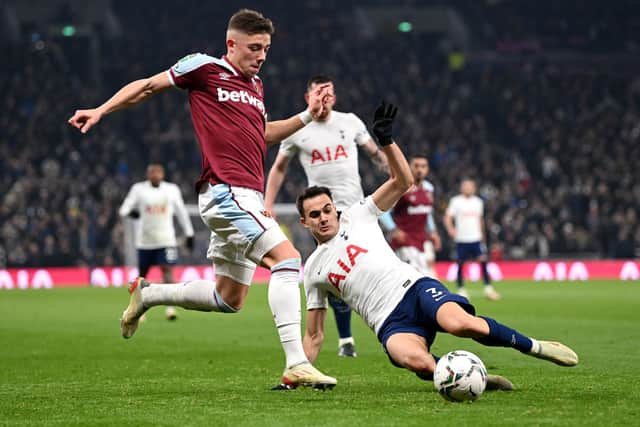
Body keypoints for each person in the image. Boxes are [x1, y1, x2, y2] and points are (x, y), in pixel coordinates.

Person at [68, 9, 336, 389]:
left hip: (246, 196)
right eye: (254, 48)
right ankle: (296, 362)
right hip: (227, 191)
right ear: (232, 44)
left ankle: (150, 293)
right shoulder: (204, 67)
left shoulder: (256, 88)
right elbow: (147, 86)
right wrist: (101, 110)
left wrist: (308, 116)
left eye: (267, 49)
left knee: (229, 298)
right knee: (289, 261)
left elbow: (261, 134)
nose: (261, 56)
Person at [298, 102, 579, 389]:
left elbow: (402, 181)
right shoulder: (313, 270)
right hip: (388, 323)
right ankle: (465, 375)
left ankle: (535, 346)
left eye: (326, 209)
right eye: (314, 214)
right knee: (414, 360)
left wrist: (387, 141)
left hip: (414, 289)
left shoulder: (358, 214)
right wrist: (298, 373)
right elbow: (314, 335)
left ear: (334, 209)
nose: (323, 217)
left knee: (462, 325)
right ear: (304, 222)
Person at [264, 75, 388, 358]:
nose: (326, 96)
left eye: (330, 91)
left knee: (369, 269)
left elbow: (373, 153)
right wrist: (268, 202)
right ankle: (345, 339)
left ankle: (375, 328)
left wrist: (393, 170)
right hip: (322, 215)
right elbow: (279, 167)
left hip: (356, 211)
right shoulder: (298, 130)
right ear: (307, 96)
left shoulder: (350, 122)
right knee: (333, 275)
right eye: (320, 91)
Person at [119, 164, 195, 321]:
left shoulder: (172, 189)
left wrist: (189, 233)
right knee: (142, 275)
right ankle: (139, 309)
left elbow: (181, 211)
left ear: (163, 174)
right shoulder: (138, 189)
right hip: (145, 241)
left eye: (158, 172)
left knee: (168, 272)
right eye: (152, 172)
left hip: (166, 239)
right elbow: (124, 208)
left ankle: (170, 308)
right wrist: (131, 213)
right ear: (147, 174)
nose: (155, 175)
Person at [379, 155, 441, 278]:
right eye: (416, 166)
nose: (420, 170)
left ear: (427, 169)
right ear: (409, 167)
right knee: (415, 277)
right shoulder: (401, 187)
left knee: (428, 276)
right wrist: (393, 229)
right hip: (405, 240)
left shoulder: (429, 188)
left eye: (423, 166)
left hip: (422, 239)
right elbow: (382, 210)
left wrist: (433, 231)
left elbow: (426, 211)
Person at [444, 178, 500, 300]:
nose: (468, 188)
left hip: (476, 238)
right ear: (461, 188)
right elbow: (448, 217)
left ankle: (488, 289)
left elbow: (480, 220)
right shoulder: (456, 201)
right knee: (460, 264)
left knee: (483, 262)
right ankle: (461, 289)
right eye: (466, 186)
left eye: (470, 186)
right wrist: (451, 230)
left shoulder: (478, 202)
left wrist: (483, 236)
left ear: (474, 188)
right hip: (462, 238)